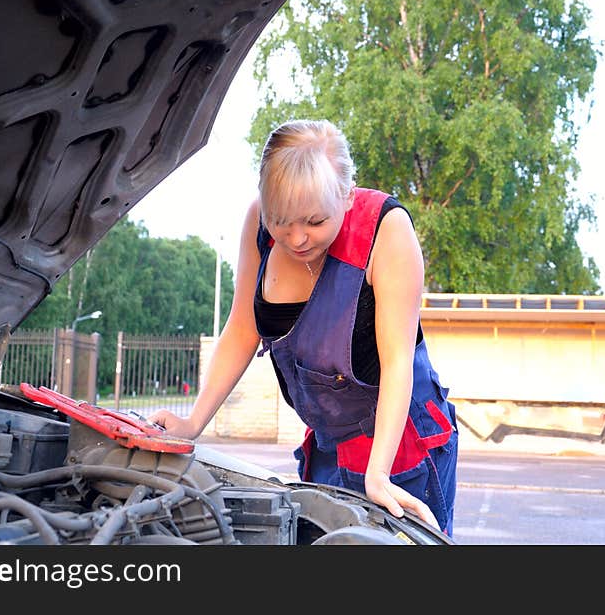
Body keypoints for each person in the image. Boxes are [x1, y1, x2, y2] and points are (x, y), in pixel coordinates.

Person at [148, 119, 458, 535]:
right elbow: (242, 328)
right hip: (327, 445)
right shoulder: (258, 222)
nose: (296, 239)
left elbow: (398, 361)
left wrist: (378, 473)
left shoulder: (386, 229)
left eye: (314, 222)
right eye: (281, 221)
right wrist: (192, 423)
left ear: (346, 197)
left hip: (400, 448)